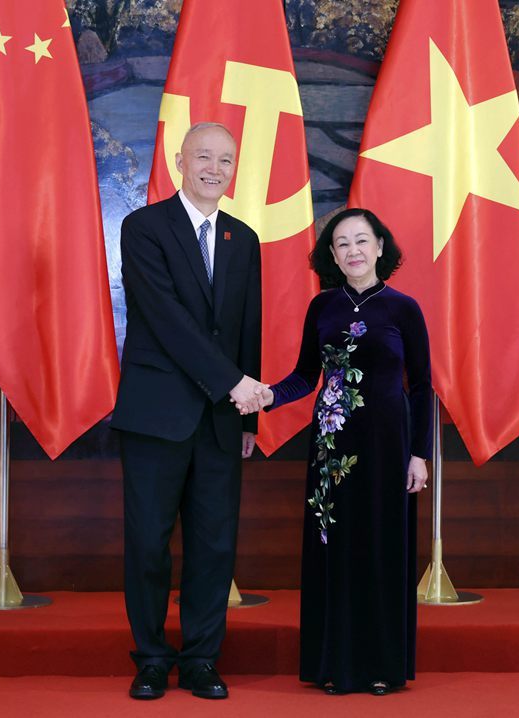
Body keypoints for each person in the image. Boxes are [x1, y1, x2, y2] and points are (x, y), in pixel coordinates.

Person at [110, 122, 264, 701]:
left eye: (225, 160)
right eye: (203, 156)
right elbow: (166, 318)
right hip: (156, 416)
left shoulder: (243, 239)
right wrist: (234, 384)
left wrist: (247, 417)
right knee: (149, 543)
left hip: (222, 421)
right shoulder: (143, 227)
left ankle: (201, 659)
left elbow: (246, 329)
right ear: (180, 160)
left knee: (214, 546)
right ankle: (152, 658)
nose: (214, 169)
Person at [255, 207, 431, 694]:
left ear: (380, 247)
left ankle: (381, 667)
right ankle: (335, 664)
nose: (353, 250)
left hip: (389, 447)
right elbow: (304, 377)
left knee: (380, 547)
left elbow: (421, 386)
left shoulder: (403, 308)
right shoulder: (322, 307)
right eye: (342, 243)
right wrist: (267, 395)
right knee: (334, 550)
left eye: (361, 240)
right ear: (332, 255)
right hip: (331, 449)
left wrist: (419, 454)